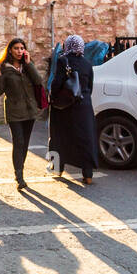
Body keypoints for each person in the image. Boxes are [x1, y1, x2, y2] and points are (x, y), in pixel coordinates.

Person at [0, 37, 44, 190]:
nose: (19, 51)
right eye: (16, 48)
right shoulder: (3, 68)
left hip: (30, 111)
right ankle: (19, 175)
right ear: (10, 50)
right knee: (18, 142)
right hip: (14, 111)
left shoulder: (27, 65)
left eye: (22, 48)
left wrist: (29, 64)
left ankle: (20, 170)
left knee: (25, 143)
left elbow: (38, 80)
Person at [49, 34, 98, 185]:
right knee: (85, 139)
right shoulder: (87, 64)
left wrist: (53, 95)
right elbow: (89, 86)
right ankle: (87, 174)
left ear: (67, 46)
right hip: (83, 107)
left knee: (60, 138)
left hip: (64, 107)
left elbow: (57, 83)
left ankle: (58, 168)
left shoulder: (63, 61)